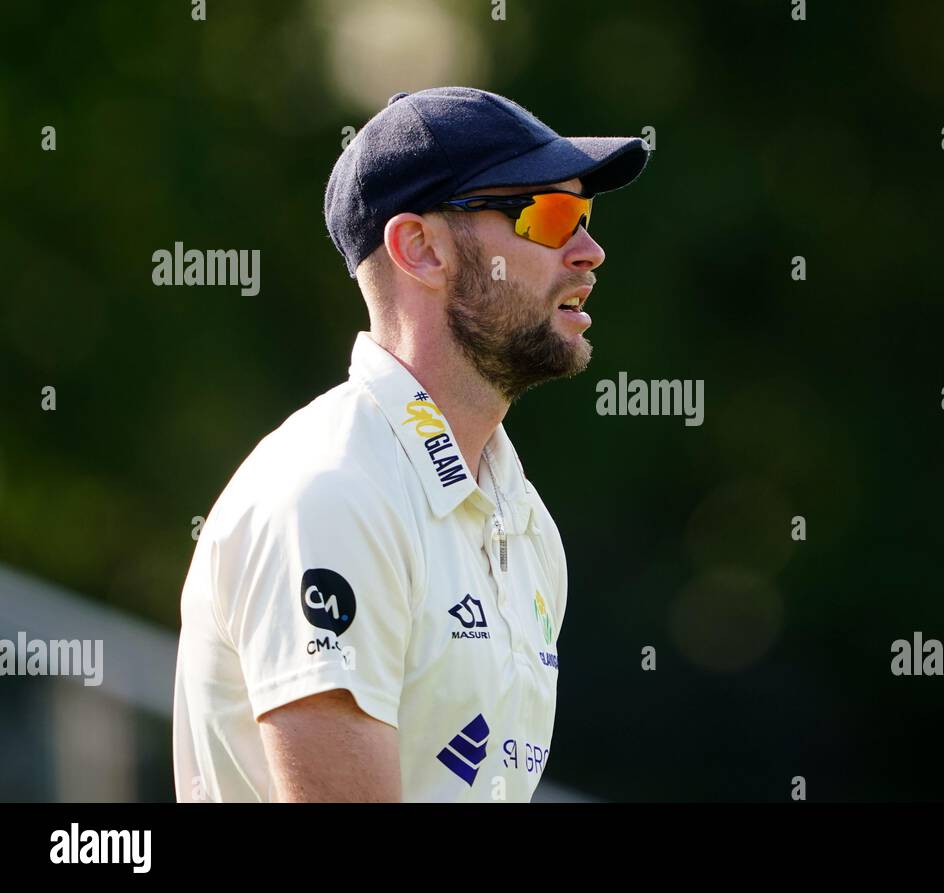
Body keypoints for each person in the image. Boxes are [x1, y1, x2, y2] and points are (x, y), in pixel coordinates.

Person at [171, 86, 649, 802]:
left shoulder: (523, 520)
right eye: (550, 217)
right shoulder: (332, 490)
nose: (590, 251)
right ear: (420, 250)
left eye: (584, 216)